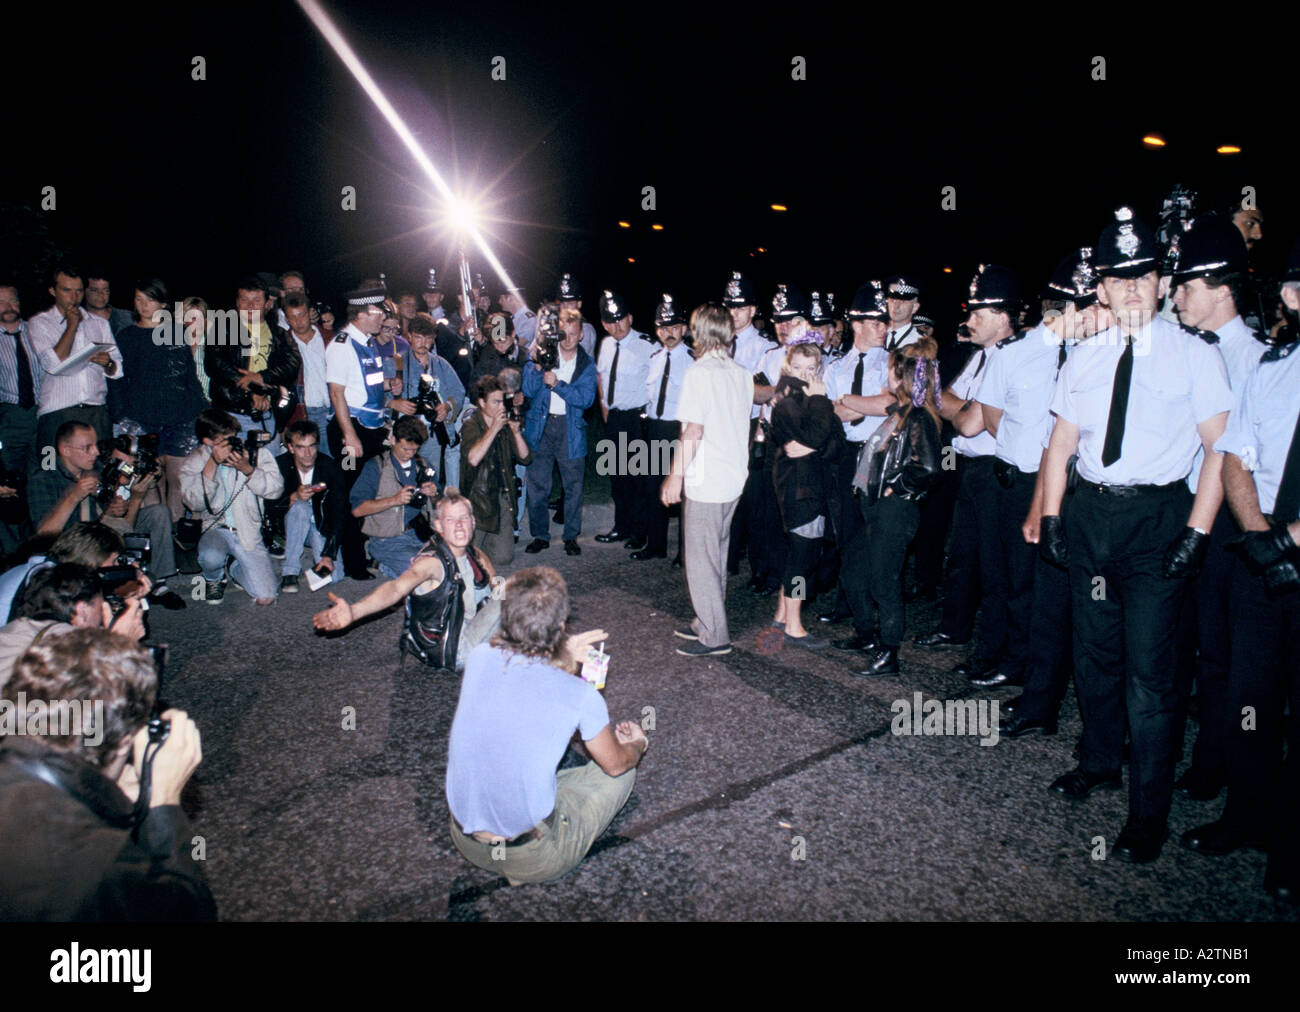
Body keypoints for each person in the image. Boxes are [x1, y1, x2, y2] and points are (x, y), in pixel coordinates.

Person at [1038, 207, 1232, 864]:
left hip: (1156, 526)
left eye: (1141, 277)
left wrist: (1198, 531)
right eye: (1116, 279)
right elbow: (1062, 439)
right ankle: (1098, 762)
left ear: (1161, 280)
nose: (1128, 290)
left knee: (1151, 680)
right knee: (1094, 658)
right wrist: (1055, 514)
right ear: (1100, 288)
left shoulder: (1193, 355)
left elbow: (1219, 449)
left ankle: (1147, 815)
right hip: (1092, 517)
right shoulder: (1083, 356)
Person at [1182, 237, 1300, 903]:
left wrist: (1287, 541)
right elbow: (1235, 451)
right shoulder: (1276, 366)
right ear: (1290, 296)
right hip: (1261, 551)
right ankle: (1245, 815)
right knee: (1249, 698)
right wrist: (1259, 536)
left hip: (1284, 546)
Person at [445, 565, 646, 885]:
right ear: (562, 625)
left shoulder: (480, 658)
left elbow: (518, 662)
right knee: (619, 773)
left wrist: (560, 651)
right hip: (533, 857)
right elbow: (615, 766)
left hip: (467, 843)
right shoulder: (580, 694)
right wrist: (637, 745)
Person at [0, 627, 215, 921]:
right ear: (128, 740)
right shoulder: (95, 863)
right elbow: (187, 910)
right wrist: (163, 801)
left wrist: (110, 799)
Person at [995, 250, 1107, 738]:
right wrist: (1042, 506)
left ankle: (1103, 726)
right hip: (1062, 493)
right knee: (1047, 607)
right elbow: (1053, 444)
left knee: (1099, 621)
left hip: (1107, 501)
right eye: (1064, 307)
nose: (1075, 318)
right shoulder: (1055, 355)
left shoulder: (1117, 354)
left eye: (1081, 307)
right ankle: (1039, 704)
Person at [913, 265, 1018, 687]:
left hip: (996, 472)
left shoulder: (1013, 359)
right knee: (962, 556)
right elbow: (942, 399)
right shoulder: (977, 356)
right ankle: (954, 628)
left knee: (994, 569)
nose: (968, 320)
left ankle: (993, 655)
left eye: (978, 311)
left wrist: (960, 407)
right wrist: (961, 406)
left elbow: (972, 421)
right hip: (969, 469)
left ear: (1002, 315)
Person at [313, 490, 501, 672]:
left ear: (473, 522)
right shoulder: (431, 564)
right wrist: (354, 612)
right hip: (455, 649)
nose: (459, 525)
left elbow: (497, 588)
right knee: (519, 589)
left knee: (510, 592)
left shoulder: (476, 554)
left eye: (464, 518)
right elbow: (395, 589)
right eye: (450, 520)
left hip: (472, 629)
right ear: (438, 526)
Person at [848, 339, 945, 675]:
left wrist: (896, 487)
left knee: (885, 583)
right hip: (878, 508)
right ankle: (867, 637)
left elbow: (930, 467)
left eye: (890, 368)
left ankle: (889, 653)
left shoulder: (918, 416)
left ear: (900, 374)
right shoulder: (903, 413)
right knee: (861, 572)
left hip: (895, 510)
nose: (885, 373)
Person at [663, 303, 754, 657]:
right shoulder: (742, 373)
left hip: (707, 478)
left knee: (700, 560)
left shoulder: (698, 374)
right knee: (716, 552)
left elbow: (693, 432)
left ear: (700, 333)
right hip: (733, 476)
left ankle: (714, 635)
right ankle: (706, 619)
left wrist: (674, 476)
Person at [827, 281, 896, 648]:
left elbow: (889, 404)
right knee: (848, 534)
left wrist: (850, 401)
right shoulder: (839, 364)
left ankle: (880, 623)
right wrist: (860, 404)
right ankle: (860, 622)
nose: (884, 328)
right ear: (856, 324)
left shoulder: (891, 363)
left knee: (877, 540)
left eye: (885, 322)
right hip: (846, 456)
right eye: (876, 322)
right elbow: (831, 411)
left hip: (878, 454)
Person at [106, 277, 209, 517]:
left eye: (150, 299)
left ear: (163, 304)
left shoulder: (177, 333)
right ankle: (155, 534)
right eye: (139, 299)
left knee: (177, 479)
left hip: (180, 417)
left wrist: (202, 408)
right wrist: (119, 415)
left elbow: (189, 376)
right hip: (141, 418)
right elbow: (118, 380)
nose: (143, 305)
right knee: (149, 480)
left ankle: (174, 533)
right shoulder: (126, 337)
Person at [769, 334, 838, 648]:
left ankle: (783, 615)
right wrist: (821, 402)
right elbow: (818, 434)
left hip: (804, 486)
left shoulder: (799, 396)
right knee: (802, 557)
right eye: (797, 367)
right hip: (800, 490)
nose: (804, 374)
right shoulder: (790, 399)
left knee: (797, 552)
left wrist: (817, 442)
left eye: (811, 369)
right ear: (788, 365)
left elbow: (827, 442)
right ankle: (794, 627)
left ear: (819, 368)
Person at [180, 407, 285, 605]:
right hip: (214, 529)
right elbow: (193, 502)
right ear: (208, 441)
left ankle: (235, 568)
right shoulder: (195, 460)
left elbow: (276, 490)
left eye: (233, 437)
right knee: (210, 557)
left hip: (247, 530)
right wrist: (212, 464)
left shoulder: (253, 452)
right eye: (223, 440)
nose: (231, 444)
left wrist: (248, 470)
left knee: (266, 598)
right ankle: (214, 578)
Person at [326, 285, 392, 580]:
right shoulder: (341, 345)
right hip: (351, 433)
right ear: (362, 314)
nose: (382, 318)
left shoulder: (369, 343)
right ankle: (351, 562)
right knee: (350, 495)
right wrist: (349, 436)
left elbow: (369, 388)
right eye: (378, 313)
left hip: (372, 431)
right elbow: (337, 394)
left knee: (370, 491)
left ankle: (368, 551)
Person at [522, 305, 597, 556]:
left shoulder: (586, 363)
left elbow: (586, 399)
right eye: (563, 334)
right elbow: (529, 391)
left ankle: (571, 536)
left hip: (570, 428)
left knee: (573, 486)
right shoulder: (543, 354)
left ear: (581, 335)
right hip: (541, 426)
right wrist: (535, 367)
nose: (568, 339)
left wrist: (558, 385)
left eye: (573, 334)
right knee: (538, 485)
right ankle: (540, 535)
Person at [0, 563, 146, 686]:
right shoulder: (68, 644)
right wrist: (120, 645)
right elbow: (105, 704)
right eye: (99, 605)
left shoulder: (12, 629)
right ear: (82, 610)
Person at [204, 274, 300, 457]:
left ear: (267, 304)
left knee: (269, 475)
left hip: (267, 414)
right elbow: (215, 364)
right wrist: (252, 389)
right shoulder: (223, 328)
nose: (250, 305)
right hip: (231, 415)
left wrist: (262, 378)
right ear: (237, 303)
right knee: (231, 472)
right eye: (244, 299)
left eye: (256, 300)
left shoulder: (279, 334)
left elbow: (292, 364)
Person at [28, 266, 124, 449]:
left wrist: (108, 363)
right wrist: (72, 326)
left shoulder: (100, 324)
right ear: (52, 291)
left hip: (96, 411)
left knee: (99, 470)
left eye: (79, 291)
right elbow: (51, 364)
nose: (74, 297)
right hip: (58, 412)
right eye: (67, 290)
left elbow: (118, 368)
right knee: (53, 469)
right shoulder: (40, 323)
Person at [722, 271, 776, 577]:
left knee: (754, 501)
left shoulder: (762, 347)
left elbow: (762, 394)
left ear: (753, 310)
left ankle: (760, 569)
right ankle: (727, 561)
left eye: (741, 307)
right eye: (730, 307)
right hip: (723, 429)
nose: (735, 313)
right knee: (726, 497)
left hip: (749, 427)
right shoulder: (719, 341)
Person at [634, 294, 693, 562]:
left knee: (684, 491)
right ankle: (655, 545)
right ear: (657, 330)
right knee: (653, 488)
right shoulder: (654, 357)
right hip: (655, 428)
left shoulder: (693, 359)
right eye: (663, 328)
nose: (668, 333)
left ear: (683, 328)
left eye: (674, 327)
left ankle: (685, 550)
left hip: (680, 430)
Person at [594, 290, 653, 550]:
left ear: (630, 317)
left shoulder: (647, 345)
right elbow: (601, 380)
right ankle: (622, 526)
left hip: (637, 420)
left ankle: (642, 532)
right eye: (610, 321)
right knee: (618, 478)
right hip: (615, 418)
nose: (616, 326)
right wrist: (606, 413)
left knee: (639, 478)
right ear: (604, 324)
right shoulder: (606, 345)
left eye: (621, 319)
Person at [349, 415, 440, 579]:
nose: (410, 454)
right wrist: (394, 500)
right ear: (392, 440)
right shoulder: (375, 467)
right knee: (421, 574)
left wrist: (434, 493)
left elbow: (441, 503)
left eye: (415, 450)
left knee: (447, 565)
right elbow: (357, 510)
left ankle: (392, 567)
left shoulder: (424, 465)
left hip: (420, 534)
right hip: (386, 540)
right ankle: (387, 565)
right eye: (405, 449)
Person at [460, 376, 532, 567]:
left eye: (503, 401)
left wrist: (516, 433)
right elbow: (473, 459)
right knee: (469, 559)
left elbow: (526, 458)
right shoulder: (471, 425)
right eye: (496, 402)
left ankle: (485, 545)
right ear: (482, 403)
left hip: (502, 496)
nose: (502, 407)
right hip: (478, 498)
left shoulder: (505, 424)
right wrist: (493, 429)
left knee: (503, 558)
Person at [268, 419, 346, 593]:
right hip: (290, 524)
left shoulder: (330, 467)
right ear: (290, 447)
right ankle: (290, 571)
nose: (307, 453)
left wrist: (328, 554)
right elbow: (268, 508)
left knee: (334, 577)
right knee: (301, 507)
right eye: (301, 447)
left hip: (319, 527)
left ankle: (311, 555)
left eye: (312, 446)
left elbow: (340, 512)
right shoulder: (279, 466)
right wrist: (292, 497)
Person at [0, 522, 126, 622]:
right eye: (114, 560)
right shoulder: (49, 580)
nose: (117, 565)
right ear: (93, 559)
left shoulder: (45, 566)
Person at [393, 314, 464, 488]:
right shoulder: (396, 363)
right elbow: (377, 396)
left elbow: (459, 392)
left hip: (432, 433)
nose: (423, 343)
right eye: (418, 337)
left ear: (433, 339)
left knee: (431, 477)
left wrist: (446, 407)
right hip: (405, 432)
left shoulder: (441, 365)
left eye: (428, 338)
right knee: (402, 478)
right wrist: (394, 404)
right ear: (409, 336)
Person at [0, 283, 41, 555]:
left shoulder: (38, 331)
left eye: (12, 300)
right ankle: (11, 552)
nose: (8, 306)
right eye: (1, 301)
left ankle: (39, 546)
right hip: (9, 420)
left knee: (40, 476)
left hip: (41, 418)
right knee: (7, 484)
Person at [283, 290, 331, 435]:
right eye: (293, 317)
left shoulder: (330, 338)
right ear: (286, 319)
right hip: (301, 413)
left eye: (302, 315)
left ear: (310, 313)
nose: (299, 322)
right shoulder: (283, 345)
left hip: (331, 410)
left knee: (331, 457)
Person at [555, 272, 598, 359]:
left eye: (570, 303)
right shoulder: (555, 324)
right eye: (562, 303)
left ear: (579, 304)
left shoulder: (586, 329)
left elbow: (572, 359)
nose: (566, 307)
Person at [883, 274, 925, 351]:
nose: (896, 306)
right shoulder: (877, 334)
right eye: (893, 300)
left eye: (903, 301)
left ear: (915, 307)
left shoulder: (920, 343)